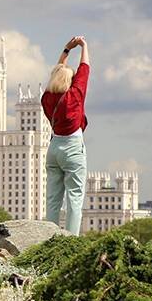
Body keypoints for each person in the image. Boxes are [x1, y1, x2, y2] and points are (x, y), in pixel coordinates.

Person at [42, 35, 90, 234]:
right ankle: (71, 241)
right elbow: (84, 69)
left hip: (53, 149)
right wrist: (83, 46)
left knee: (53, 199)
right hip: (72, 148)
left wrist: (66, 50)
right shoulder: (74, 95)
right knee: (74, 198)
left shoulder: (47, 97)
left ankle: (50, 238)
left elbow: (57, 72)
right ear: (70, 81)